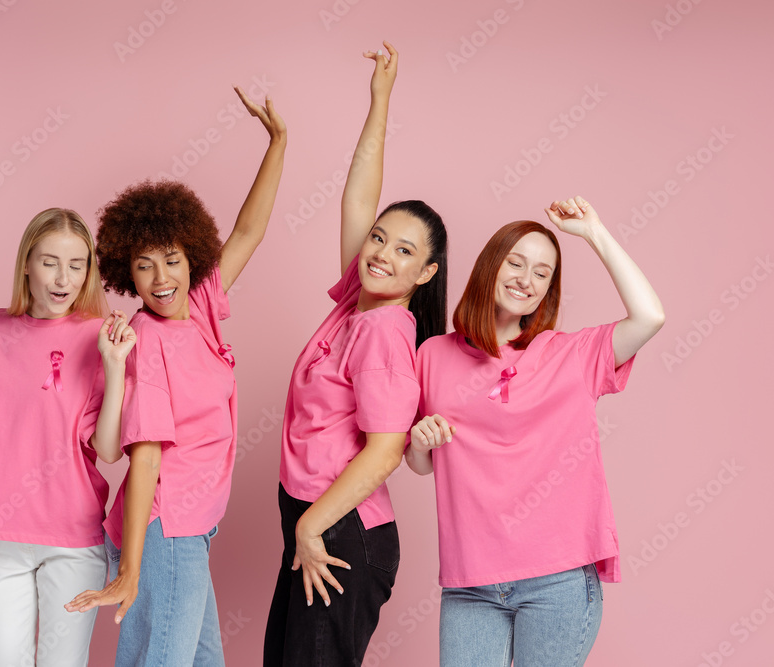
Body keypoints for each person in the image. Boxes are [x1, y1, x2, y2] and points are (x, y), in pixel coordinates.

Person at [64, 85, 286, 666]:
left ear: (192, 259)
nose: (161, 277)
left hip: (193, 529)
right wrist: (132, 571)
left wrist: (278, 142)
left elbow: (247, 232)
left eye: (171, 260)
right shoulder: (148, 342)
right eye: (144, 266)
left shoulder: (202, 306)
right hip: (165, 531)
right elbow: (144, 459)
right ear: (126, 277)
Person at [407, 198, 665, 666]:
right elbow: (422, 464)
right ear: (491, 265)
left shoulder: (575, 354)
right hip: (470, 582)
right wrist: (421, 442)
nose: (526, 280)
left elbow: (650, 317)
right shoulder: (432, 355)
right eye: (516, 262)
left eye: (542, 273)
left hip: (558, 581)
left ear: (549, 288)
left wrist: (595, 234)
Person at [263, 42, 448, 666]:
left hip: (341, 532)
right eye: (379, 239)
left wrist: (312, 526)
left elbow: (388, 446)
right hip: (314, 522)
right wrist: (380, 100)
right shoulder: (355, 303)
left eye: (404, 252)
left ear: (426, 274)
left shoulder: (383, 329)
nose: (380, 253)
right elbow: (357, 196)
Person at [0, 207, 136, 666]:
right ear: (26, 263)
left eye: (77, 265)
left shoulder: (101, 336)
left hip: (73, 539)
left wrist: (114, 366)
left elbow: (110, 450)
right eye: (49, 262)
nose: (63, 277)